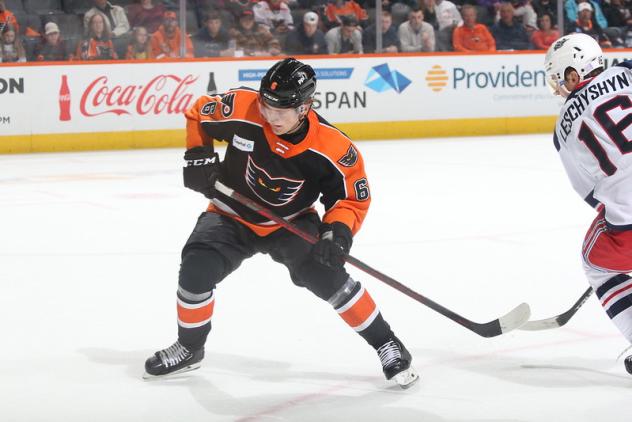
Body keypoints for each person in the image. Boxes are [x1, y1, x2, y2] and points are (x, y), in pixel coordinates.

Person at [143, 57, 419, 389]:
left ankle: (387, 344)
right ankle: (189, 348)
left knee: (328, 277)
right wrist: (198, 156)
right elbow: (200, 111)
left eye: (281, 110)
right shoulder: (244, 107)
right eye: (267, 105)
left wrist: (338, 233)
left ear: (305, 106)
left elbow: (350, 199)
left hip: (290, 223)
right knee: (195, 269)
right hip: (231, 214)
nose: (271, 115)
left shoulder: (333, 148)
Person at [544, 33, 632, 375]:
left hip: (628, 224)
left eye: (559, 78)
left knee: (595, 262)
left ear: (572, 74)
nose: (558, 87)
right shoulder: (625, 71)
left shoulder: (561, 129)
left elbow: (591, 194)